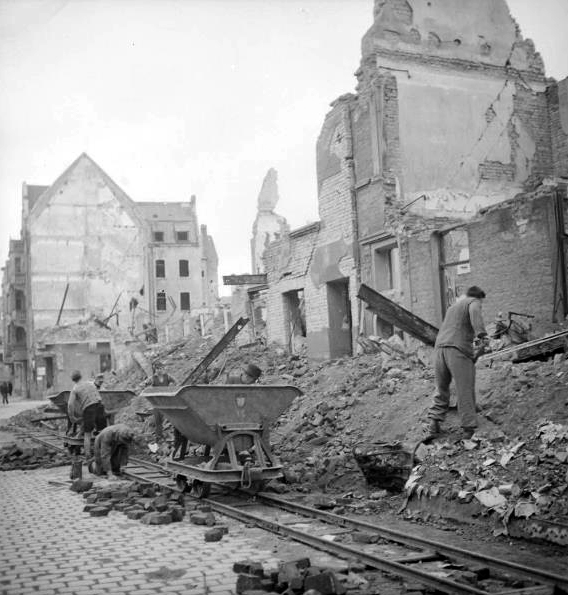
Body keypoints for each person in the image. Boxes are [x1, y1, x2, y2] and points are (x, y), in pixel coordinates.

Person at [425, 286, 489, 441]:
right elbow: (475, 315)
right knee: (464, 389)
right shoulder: (473, 302)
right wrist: (482, 336)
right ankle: (468, 429)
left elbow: (454, 328)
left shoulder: (453, 307)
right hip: (457, 350)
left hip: (440, 349)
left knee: (442, 388)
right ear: (478, 297)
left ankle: (434, 424)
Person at [67, 370, 107, 458]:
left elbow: (70, 404)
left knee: (87, 434)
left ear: (73, 380)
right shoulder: (91, 383)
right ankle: (105, 453)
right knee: (102, 432)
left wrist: (72, 417)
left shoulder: (75, 388)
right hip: (100, 406)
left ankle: (88, 456)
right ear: (81, 376)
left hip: (89, 408)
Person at [146, 363, 176, 441]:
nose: (159, 370)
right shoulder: (153, 378)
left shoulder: (168, 376)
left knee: (171, 418)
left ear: (163, 368)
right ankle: (159, 436)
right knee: (157, 419)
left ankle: (172, 435)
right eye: (157, 368)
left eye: (161, 368)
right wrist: (149, 387)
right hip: (157, 402)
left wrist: (172, 389)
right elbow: (145, 384)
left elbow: (176, 382)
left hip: (166, 401)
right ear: (155, 370)